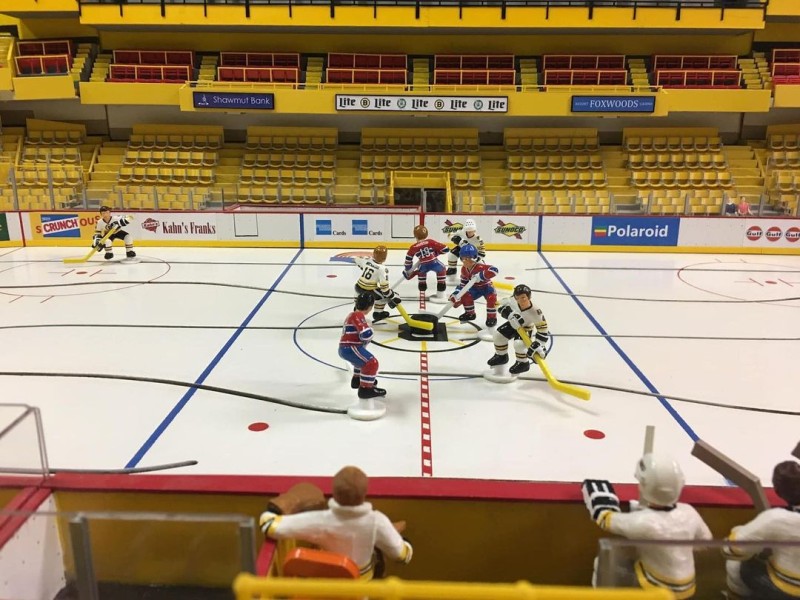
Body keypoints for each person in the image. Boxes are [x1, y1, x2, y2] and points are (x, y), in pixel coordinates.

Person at [582, 454, 712, 599]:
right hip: (688, 587)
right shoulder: (689, 511)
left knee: (602, 563)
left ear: (644, 486)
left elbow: (606, 520)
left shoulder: (642, 522)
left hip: (655, 587)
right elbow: (706, 543)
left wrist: (601, 502)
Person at [259, 466, 412, 580]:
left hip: (328, 585)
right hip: (362, 586)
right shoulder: (377, 522)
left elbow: (270, 526)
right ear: (364, 493)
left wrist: (278, 508)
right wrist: (406, 545)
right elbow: (401, 555)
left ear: (335, 492)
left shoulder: (322, 520)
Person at [724, 460, 800, 600]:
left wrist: (737, 531)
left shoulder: (775, 518)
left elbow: (734, 548)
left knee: (734, 565)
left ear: (777, 490)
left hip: (785, 589)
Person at [487, 284, 550, 375]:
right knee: (498, 335)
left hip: (525, 329)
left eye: (523, 297)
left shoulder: (536, 312)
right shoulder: (512, 300)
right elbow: (497, 304)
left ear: (529, 297)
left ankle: (523, 363)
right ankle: (501, 356)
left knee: (519, 344)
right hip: (512, 324)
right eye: (518, 297)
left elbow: (543, 330)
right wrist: (506, 312)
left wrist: (540, 344)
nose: (520, 300)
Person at [339, 293, 385, 400]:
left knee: (360, 362)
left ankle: (357, 379)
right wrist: (371, 330)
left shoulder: (352, 315)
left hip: (346, 348)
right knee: (371, 363)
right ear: (370, 307)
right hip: (350, 347)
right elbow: (365, 334)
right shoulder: (358, 315)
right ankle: (365, 389)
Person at [449, 243, 498, 327]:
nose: (464, 261)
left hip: (486, 287)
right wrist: (456, 294)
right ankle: (470, 313)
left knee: (491, 298)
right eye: (462, 258)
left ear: (474, 257)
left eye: (467, 258)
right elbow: (463, 284)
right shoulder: (464, 269)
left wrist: (481, 275)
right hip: (475, 288)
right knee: (465, 295)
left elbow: (494, 270)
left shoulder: (480, 266)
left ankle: (491, 317)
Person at [353, 245, 400, 322]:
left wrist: (364, 266)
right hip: (369, 289)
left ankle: (357, 310)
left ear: (373, 254)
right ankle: (378, 313)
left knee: (359, 299)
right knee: (383, 297)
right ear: (385, 258)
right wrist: (393, 295)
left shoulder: (367, 261)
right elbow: (384, 289)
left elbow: (357, 259)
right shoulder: (382, 269)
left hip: (358, 287)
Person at [403, 225, 449, 301]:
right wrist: (436, 253)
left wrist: (408, 269)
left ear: (414, 235)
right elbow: (446, 249)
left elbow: (408, 259)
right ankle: (441, 286)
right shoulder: (430, 242)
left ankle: (422, 284)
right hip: (434, 263)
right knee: (442, 269)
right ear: (426, 234)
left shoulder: (413, 247)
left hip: (423, 265)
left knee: (421, 271)